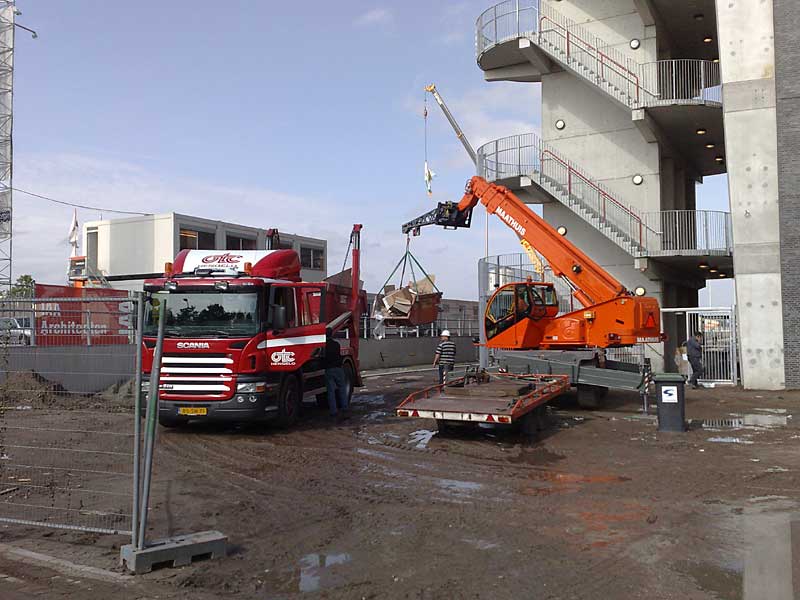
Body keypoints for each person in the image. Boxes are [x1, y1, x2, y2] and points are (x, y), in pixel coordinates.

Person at [324, 336, 349, 420]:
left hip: (329, 369)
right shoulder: (336, 344)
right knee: (342, 388)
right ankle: (345, 408)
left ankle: (333, 411)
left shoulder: (324, 346)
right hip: (338, 369)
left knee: (330, 391)